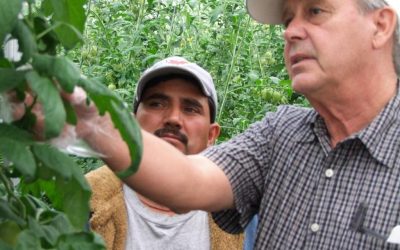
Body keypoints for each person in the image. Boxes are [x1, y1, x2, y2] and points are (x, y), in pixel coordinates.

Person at [19, 0, 400, 249]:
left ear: (381, 25)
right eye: (288, 19)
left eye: (315, 11)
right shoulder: (281, 133)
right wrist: (81, 116)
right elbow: (188, 180)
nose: (290, 31)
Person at [85, 56, 244, 250]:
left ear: (211, 135)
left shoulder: (242, 217)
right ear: (132, 123)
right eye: (157, 104)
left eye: (190, 108)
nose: (173, 118)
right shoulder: (85, 200)